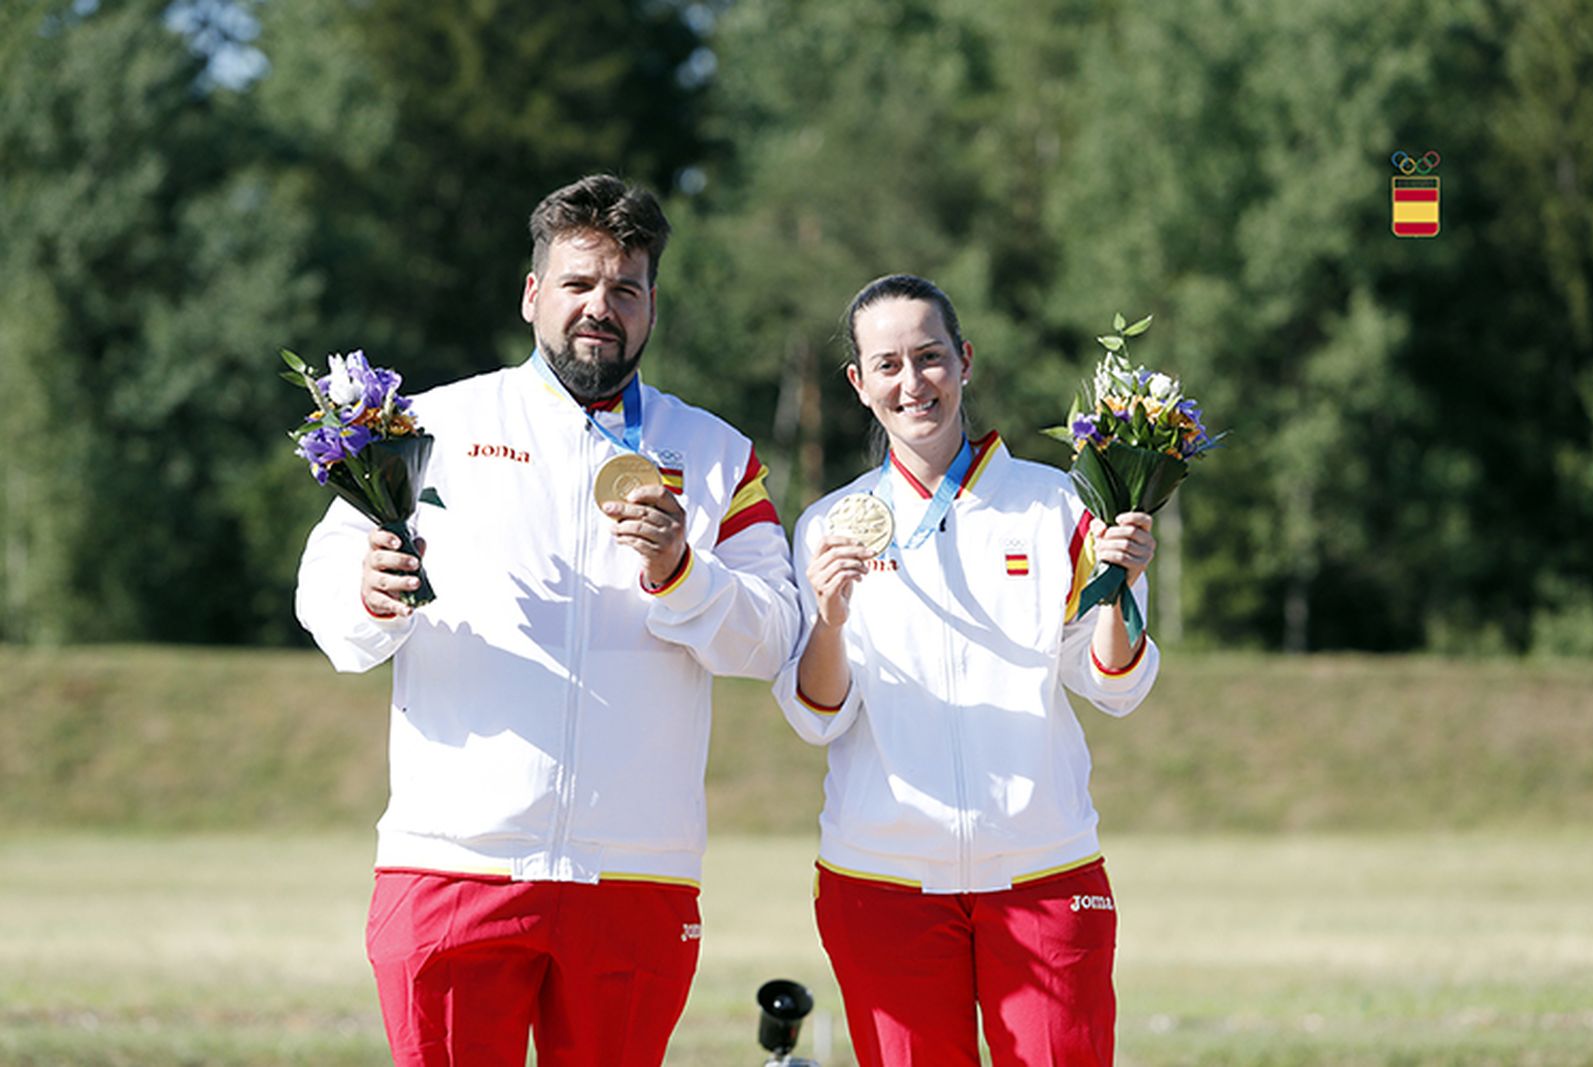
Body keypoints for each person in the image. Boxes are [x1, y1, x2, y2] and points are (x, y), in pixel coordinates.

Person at [295, 174, 800, 1067]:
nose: (598, 308)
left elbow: (771, 638)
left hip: (635, 873)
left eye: (624, 289)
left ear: (650, 307)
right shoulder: (428, 425)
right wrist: (366, 597)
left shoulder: (720, 453)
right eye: (577, 284)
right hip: (453, 864)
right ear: (534, 294)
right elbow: (327, 590)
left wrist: (683, 573)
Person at [772, 274, 1161, 1066]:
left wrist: (1121, 590)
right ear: (858, 383)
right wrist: (830, 618)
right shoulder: (826, 525)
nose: (912, 382)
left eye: (930, 357)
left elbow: (1113, 686)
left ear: (966, 360)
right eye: (887, 364)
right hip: (882, 878)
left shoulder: (1059, 507)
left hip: (1044, 870)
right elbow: (818, 714)